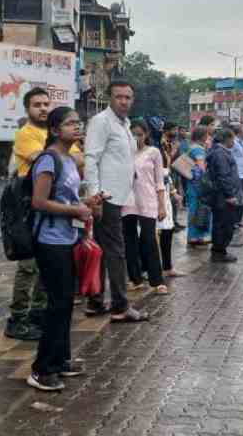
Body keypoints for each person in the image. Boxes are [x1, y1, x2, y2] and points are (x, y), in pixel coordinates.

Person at [6, 89, 81, 340]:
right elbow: (46, 158)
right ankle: (17, 318)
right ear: (27, 108)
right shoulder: (24, 135)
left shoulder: (56, 139)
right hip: (28, 209)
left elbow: (79, 158)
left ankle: (37, 315)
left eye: (46, 104)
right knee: (27, 266)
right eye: (37, 104)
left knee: (43, 272)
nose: (42, 108)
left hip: (56, 216)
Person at [26, 107, 90, 391]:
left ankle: (61, 359)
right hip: (50, 240)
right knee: (58, 303)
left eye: (78, 123)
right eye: (69, 124)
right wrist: (74, 211)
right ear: (54, 130)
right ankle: (42, 369)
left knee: (66, 303)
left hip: (67, 237)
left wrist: (88, 205)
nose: (76, 127)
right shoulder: (48, 160)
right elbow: (38, 202)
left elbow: (69, 196)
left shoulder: (68, 158)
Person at [84, 81, 148, 323]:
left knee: (101, 250)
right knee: (116, 251)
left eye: (128, 97)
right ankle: (121, 305)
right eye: (119, 97)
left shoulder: (125, 124)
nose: (124, 101)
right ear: (109, 98)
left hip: (118, 196)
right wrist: (95, 195)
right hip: (105, 197)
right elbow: (91, 159)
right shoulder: (101, 121)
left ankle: (96, 301)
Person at [121, 121, 169, 294]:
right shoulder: (124, 153)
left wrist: (162, 205)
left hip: (148, 201)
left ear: (146, 135)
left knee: (149, 239)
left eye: (140, 134)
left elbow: (159, 181)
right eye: (133, 134)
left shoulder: (153, 152)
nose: (137, 138)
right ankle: (135, 278)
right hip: (127, 201)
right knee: (129, 241)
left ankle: (157, 280)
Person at [206, 128, 240, 263]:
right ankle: (219, 252)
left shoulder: (219, 152)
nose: (234, 142)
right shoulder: (220, 154)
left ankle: (219, 250)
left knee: (221, 223)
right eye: (233, 139)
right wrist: (230, 195)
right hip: (222, 196)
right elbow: (223, 176)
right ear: (227, 139)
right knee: (224, 224)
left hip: (220, 195)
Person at [158, 131, 180, 278]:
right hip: (154, 200)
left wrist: (173, 193)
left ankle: (167, 266)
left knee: (167, 231)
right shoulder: (155, 154)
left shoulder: (164, 155)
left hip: (165, 199)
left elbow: (167, 176)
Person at [185, 127, 212, 246]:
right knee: (199, 209)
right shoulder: (198, 150)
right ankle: (198, 236)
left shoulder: (191, 147)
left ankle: (193, 236)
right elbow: (202, 168)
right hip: (199, 184)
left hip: (192, 183)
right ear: (202, 136)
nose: (208, 136)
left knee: (194, 208)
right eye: (207, 134)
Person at [161, 123, 185, 232]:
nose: (176, 132)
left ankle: (174, 221)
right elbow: (166, 160)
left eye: (176, 129)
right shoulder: (163, 142)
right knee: (170, 199)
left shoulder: (171, 142)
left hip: (175, 172)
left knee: (175, 200)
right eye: (173, 130)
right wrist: (174, 149)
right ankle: (170, 223)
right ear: (166, 130)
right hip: (167, 174)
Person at [229, 123, 243, 232]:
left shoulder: (241, 142)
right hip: (237, 175)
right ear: (239, 132)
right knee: (237, 198)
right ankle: (234, 221)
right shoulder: (234, 143)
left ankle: (239, 220)